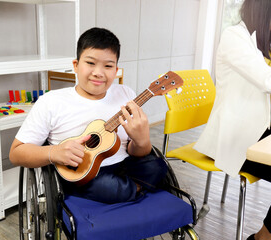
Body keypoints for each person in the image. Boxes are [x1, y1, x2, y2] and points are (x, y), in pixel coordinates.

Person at [9, 27, 168, 204]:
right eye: (90, 63)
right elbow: (16, 153)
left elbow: (137, 152)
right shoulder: (51, 102)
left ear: (116, 70)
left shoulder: (126, 95)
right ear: (76, 66)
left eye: (108, 66)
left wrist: (142, 141)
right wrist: (54, 152)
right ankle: (136, 189)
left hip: (124, 165)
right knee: (108, 187)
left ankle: (129, 189)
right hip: (81, 173)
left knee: (158, 167)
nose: (98, 72)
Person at [193, 0, 271, 239]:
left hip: (261, 130)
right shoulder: (234, 37)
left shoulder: (262, 44)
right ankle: (262, 237)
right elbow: (267, 81)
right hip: (237, 138)